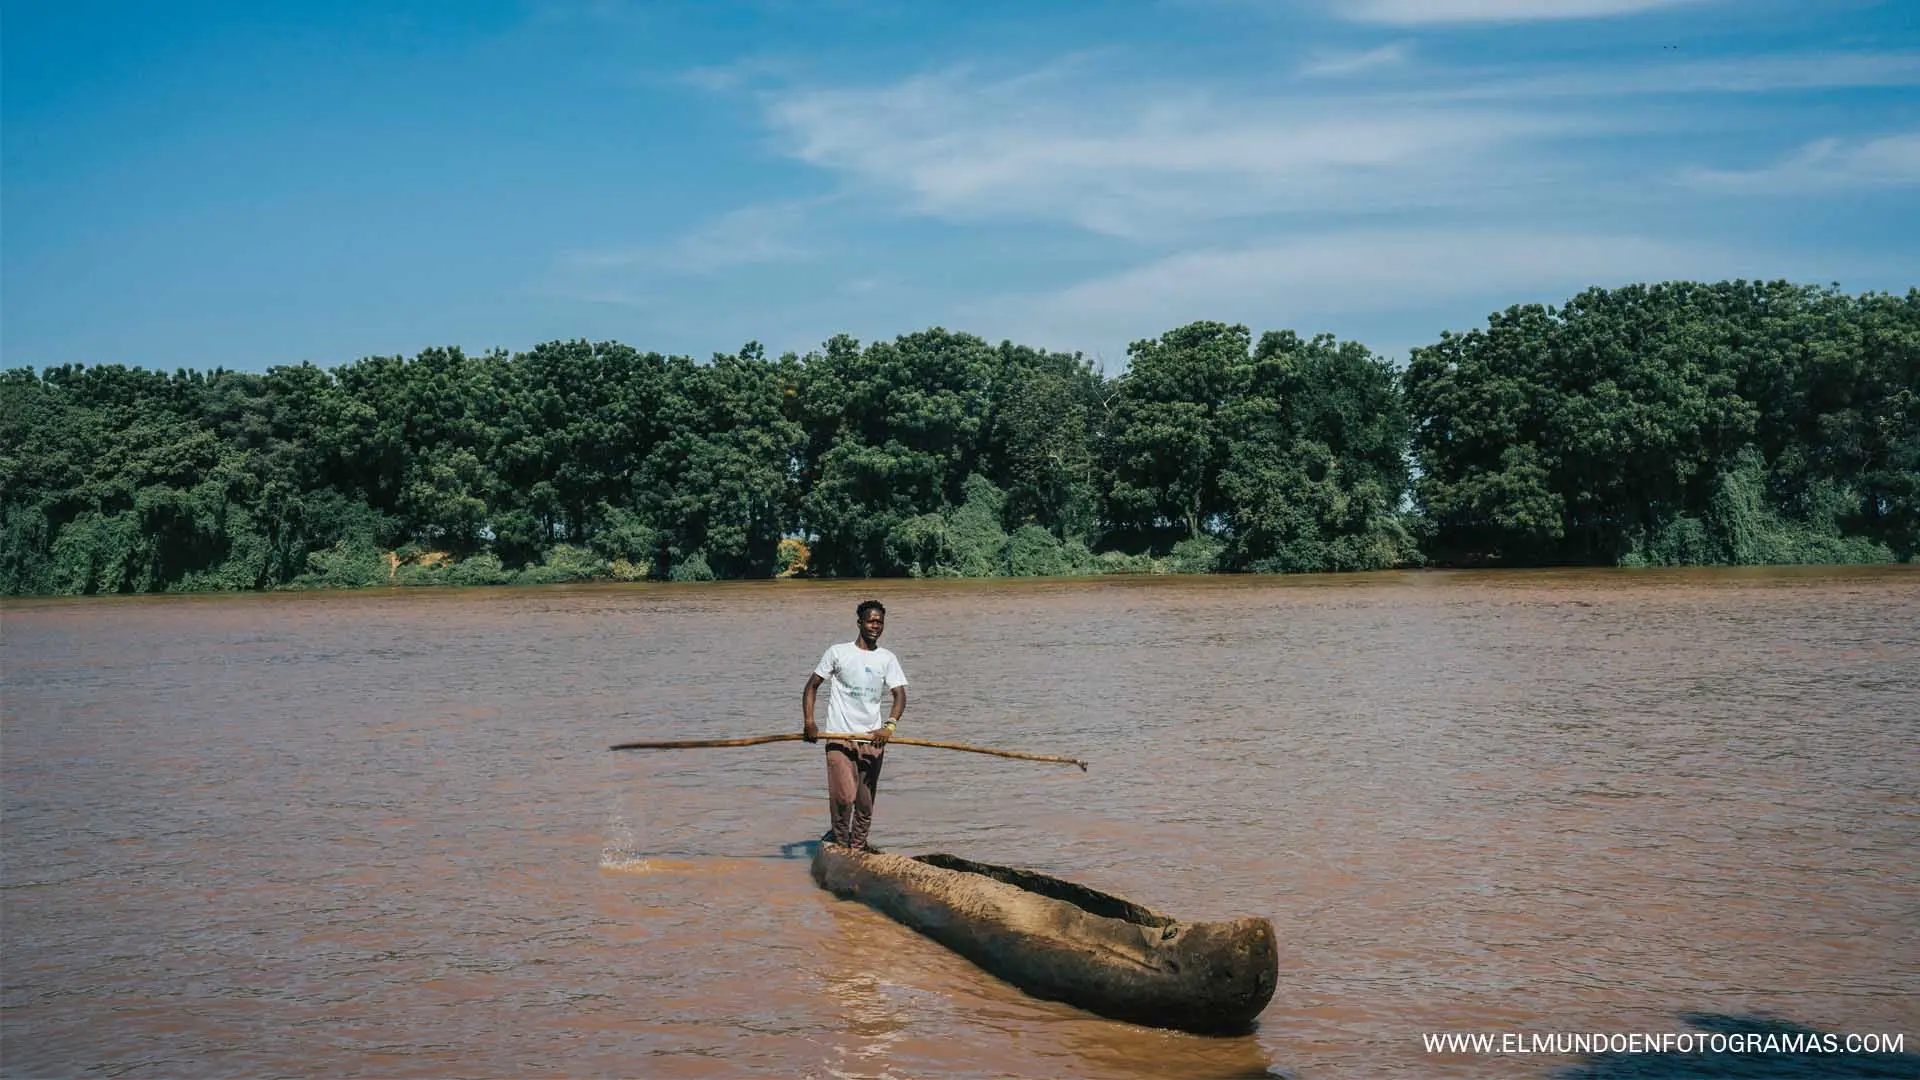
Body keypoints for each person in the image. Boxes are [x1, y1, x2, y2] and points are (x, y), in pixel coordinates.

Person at [802, 599, 908, 852]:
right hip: (839, 737)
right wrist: (809, 722)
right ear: (859, 622)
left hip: (873, 739)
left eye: (880, 622)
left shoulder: (887, 659)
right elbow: (811, 686)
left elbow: (900, 696)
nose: (875, 626)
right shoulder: (838, 652)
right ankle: (839, 844)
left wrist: (889, 727)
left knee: (864, 802)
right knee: (844, 797)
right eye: (871, 621)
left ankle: (858, 847)